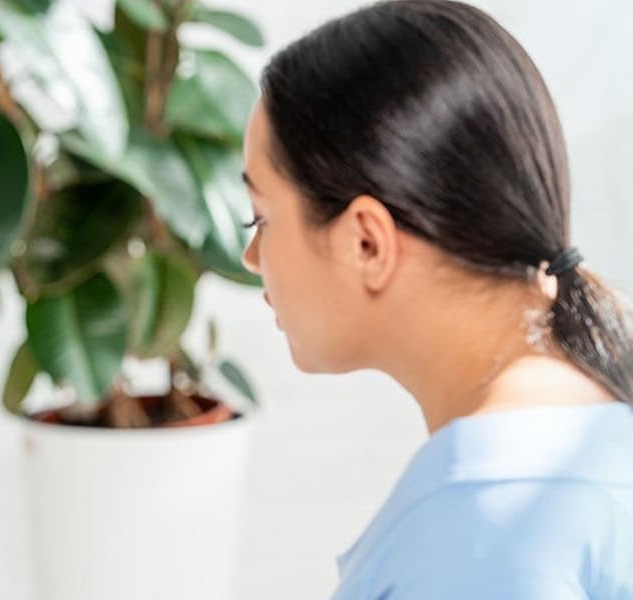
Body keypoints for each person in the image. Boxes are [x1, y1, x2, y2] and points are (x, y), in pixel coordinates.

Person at [241, 1, 633, 597]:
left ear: (367, 242)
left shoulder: (478, 527)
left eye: (260, 218)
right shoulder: (594, 435)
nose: (252, 258)